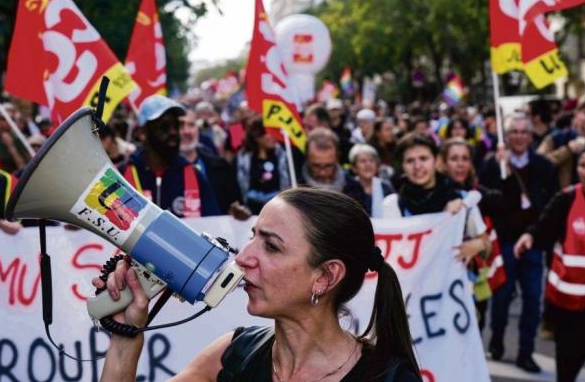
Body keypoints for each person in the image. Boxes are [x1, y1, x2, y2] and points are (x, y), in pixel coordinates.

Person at [95, 188, 421, 381]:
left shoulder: (388, 378)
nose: (243, 258)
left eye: (271, 246)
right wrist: (126, 333)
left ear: (325, 277)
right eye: (253, 236)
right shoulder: (233, 354)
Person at [514, 145, 585, 382]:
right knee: (567, 372)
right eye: (583, 165)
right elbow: (542, 228)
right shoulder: (566, 199)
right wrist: (529, 236)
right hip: (573, 310)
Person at [478, 113, 559, 373]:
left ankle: (526, 351)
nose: (520, 136)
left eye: (524, 131)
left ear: (531, 135)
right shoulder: (492, 165)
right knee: (501, 298)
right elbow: (487, 201)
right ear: (506, 135)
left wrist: (537, 233)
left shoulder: (543, 165)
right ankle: (498, 340)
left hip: (532, 243)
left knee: (533, 300)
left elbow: (550, 205)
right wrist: (505, 173)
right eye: (514, 132)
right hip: (503, 244)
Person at [382, 133, 489, 262]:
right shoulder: (393, 204)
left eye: (423, 158)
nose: (417, 166)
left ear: (436, 160)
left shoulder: (462, 200)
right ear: (403, 166)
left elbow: (487, 248)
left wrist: (479, 245)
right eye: (410, 161)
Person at [440, 138, 506, 331]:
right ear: (442, 162)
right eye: (454, 158)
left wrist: (477, 245)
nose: (460, 164)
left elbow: (486, 248)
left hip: (470, 281)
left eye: (465, 159)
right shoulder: (432, 195)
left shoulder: (475, 195)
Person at [121, 95, 220, 218]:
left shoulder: (193, 174)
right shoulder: (121, 177)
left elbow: (212, 224)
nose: (173, 132)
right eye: (164, 126)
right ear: (143, 133)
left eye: (176, 126)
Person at [180, 109, 250, 219]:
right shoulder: (235, 128)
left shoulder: (220, 167)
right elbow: (232, 149)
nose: (186, 131)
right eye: (180, 126)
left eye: (191, 125)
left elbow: (234, 202)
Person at [538, 96, 585, 188]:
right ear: (576, 114)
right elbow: (538, 164)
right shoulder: (557, 138)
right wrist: (567, 150)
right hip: (560, 196)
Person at [234, 118, 291, 215]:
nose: (274, 137)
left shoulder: (282, 155)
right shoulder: (243, 159)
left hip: (277, 210)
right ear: (257, 137)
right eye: (269, 133)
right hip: (250, 212)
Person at [343, 144, 394, 217]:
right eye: (363, 161)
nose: (368, 164)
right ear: (354, 167)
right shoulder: (348, 189)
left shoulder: (386, 188)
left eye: (371, 160)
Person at [0, 104, 31, 174]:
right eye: (3, 118)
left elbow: (24, 168)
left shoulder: (21, 138)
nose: (6, 122)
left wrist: (11, 147)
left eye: (11, 119)